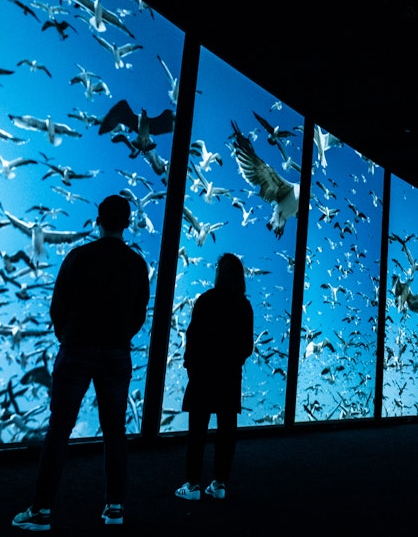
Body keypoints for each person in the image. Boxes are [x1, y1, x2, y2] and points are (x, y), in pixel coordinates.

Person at [13, 194, 150, 531]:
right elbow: (139, 313)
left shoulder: (78, 256)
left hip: (77, 348)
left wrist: (69, 336)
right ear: (128, 223)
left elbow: (58, 304)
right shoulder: (136, 264)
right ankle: (115, 508)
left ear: (98, 221)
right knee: (115, 431)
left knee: (59, 428)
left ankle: (42, 511)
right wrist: (119, 337)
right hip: (117, 352)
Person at [175, 252, 254, 501]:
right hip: (229, 376)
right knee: (226, 430)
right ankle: (219, 484)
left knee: (197, 431)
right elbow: (247, 346)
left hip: (203, 374)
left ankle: (192, 485)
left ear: (219, 273)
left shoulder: (206, 300)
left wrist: (192, 366)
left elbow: (193, 336)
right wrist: (234, 361)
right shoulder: (244, 305)